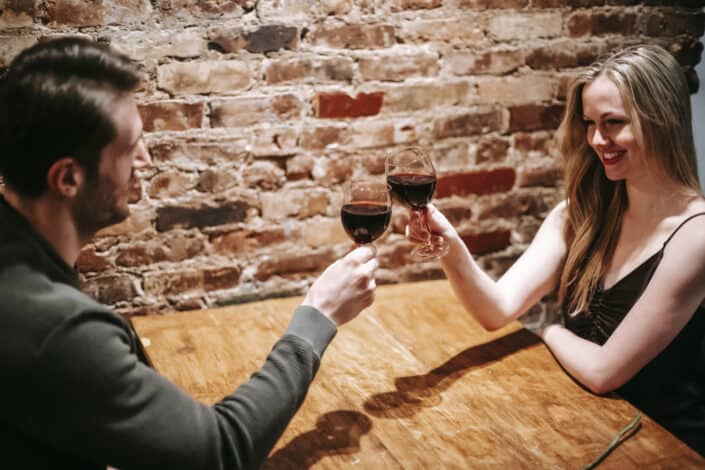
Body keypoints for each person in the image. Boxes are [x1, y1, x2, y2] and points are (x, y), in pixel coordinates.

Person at [0, 37, 379, 469]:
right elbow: (219, 451)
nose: (144, 159)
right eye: (130, 147)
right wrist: (319, 315)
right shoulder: (55, 331)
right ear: (67, 178)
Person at [413, 44, 705, 456]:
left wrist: (548, 329)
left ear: (663, 121)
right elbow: (496, 310)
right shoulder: (578, 216)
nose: (597, 140)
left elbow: (604, 372)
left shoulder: (696, 235)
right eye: (589, 123)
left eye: (614, 123)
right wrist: (450, 246)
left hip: (666, 450)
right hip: (588, 429)